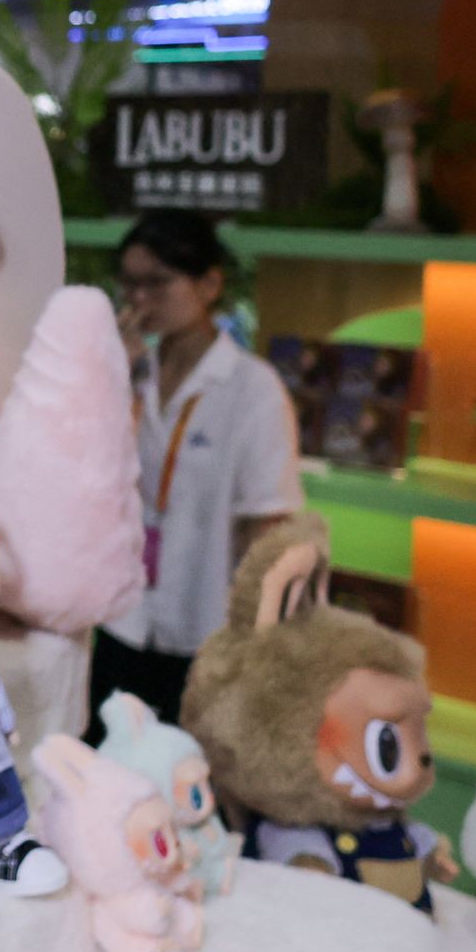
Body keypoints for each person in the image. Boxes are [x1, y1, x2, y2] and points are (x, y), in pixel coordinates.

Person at [93, 210, 305, 730]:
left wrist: (258, 641)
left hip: (207, 626)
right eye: (130, 285)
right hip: (121, 618)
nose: (139, 300)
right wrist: (108, 376)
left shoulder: (251, 389)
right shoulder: (129, 371)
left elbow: (267, 526)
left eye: (157, 283)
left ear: (209, 284)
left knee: (187, 785)